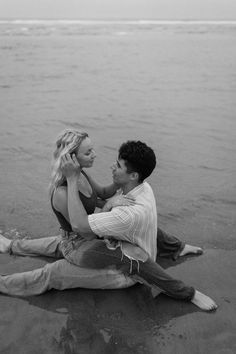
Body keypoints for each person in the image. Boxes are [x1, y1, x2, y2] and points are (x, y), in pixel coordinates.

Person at [0, 129, 217, 311]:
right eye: (88, 152)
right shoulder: (63, 193)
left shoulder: (84, 176)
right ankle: (7, 268)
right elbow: (82, 229)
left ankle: (11, 246)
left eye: (118, 165)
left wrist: (112, 194)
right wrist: (107, 203)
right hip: (78, 241)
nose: (95, 155)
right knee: (57, 262)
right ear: (72, 159)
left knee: (71, 241)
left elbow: (102, 193)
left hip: (79, 236)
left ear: (134, 176)